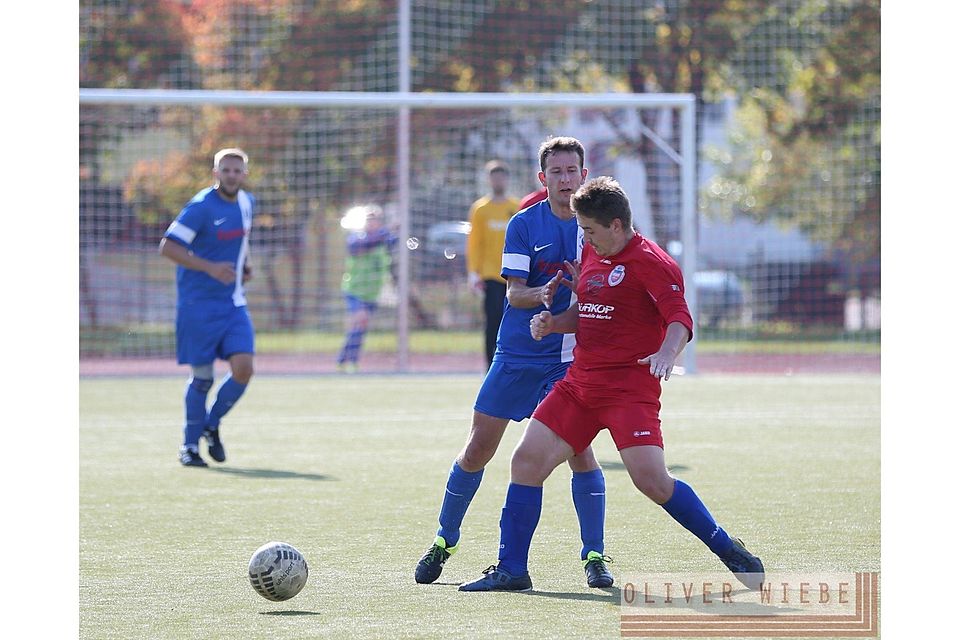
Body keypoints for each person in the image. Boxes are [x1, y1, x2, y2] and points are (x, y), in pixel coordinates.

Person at [459, 176, 765, 592]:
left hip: (629, 391)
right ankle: (512, 569)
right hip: (580, 385)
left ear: (617, 225)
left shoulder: (654, 262)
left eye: (589, 229)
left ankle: (727, 548)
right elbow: (589, 311)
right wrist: (554, 324)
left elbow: (680, 319)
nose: (583, 237)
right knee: (526, 461)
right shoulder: (592, 250)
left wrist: (666, 353)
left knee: (651, 481)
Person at [416, 137, 614, 589]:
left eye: (572, 171)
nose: (565, 180)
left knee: (580, 453)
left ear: (585, 175)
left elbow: (608, 293)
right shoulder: (524, 224)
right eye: (556, 172)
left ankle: (596, 557)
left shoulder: (598, 229)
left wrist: (586, 293)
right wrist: (542, 294)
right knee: (477, 450)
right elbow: (513, 292)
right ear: (542, 179)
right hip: (516, 354)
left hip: (564, 362)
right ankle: (444, 540)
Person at [159, 148, 256, 468]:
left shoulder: (247, 203)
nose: (231, 175)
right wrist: (210, 267)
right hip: (197, 305)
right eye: (225, 170)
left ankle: (211, 424)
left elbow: (241, 243)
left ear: (244, 174)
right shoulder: (200, 208)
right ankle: (189, 446)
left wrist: (245, 265)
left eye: (237, 170)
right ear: (215, 173)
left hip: (232, 302)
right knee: (202, 378)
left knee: (244, 368)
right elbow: (169, 247)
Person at [466, 160, 519, 369]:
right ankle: (491, 367)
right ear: (489, 180)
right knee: (492, 323)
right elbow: (474, 243)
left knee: (516, 322)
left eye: (501, 176)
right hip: (491, 275)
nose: (498, 181)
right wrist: (473, 272)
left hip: (516, 276)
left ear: (507, 179)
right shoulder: (480, 209)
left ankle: (513, 364)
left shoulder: (516, 207)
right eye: (494, 177)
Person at [337, 204, 394, 373]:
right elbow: (364, 244)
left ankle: (344, 359)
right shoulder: (356, 239)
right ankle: (350, 361)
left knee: (359, 328)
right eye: (369, 219)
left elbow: (396, 241)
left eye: (375, 219)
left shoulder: (385, 239)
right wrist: (385, 232)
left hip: (372, 293)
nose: (372, 222)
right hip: (354, 290)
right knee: (360, 321)